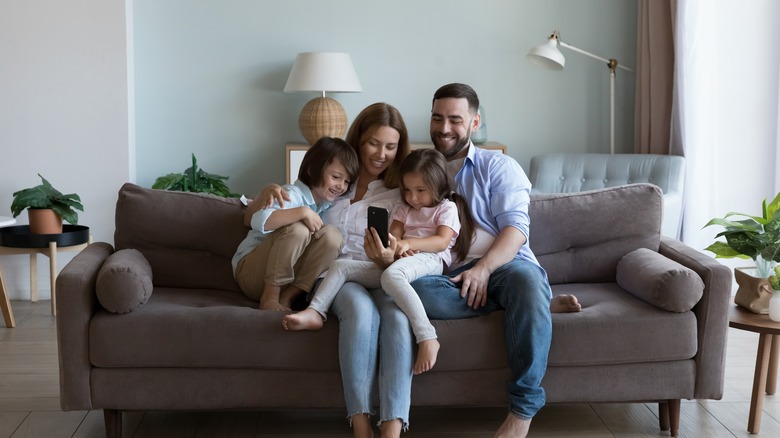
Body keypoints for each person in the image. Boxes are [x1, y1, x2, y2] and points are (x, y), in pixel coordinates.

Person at [407, 83, 578, 438]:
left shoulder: (498, 167)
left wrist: (484, 269)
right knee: (416, 291)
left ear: (474, 122)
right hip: (447, 274)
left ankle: (523, 409)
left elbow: (516, 231)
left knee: (525, 282)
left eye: (455, 119)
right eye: (437, 118)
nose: (444, 128)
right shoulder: (419, 169)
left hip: (503, 267)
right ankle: (536, 307)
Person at [257, 102, 413, 437]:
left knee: (398, 319)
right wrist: (266, 194)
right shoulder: (329, 184)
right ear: (358, 140)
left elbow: (412, 240)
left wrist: (388, 257)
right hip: (335, 278)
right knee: (360, 311)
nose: (381, 154)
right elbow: (279, 211)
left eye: (390, 146)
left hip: (380, 274)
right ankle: (360, 423)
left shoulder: (400, 192)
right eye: (373, 143)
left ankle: (392, 427)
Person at [283, 148, 475, 375]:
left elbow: (442, 242)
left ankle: (427, 337)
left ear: (439, 185)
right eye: (407, 190)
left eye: (420, 190)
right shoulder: (404, 208)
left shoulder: (446, 208)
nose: (413, 197)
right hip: (401, 264)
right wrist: (388, 247)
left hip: (430, 260)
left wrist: (409, 244)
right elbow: (393, 237)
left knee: (392, 275)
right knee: (340, 266)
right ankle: (316, 311)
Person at [232, 136, 359, 311]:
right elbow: (257, 220)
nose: (341, 186)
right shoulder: (291, 194)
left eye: (346, 182)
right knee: (299, 228)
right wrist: (302, 212)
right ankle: (270, 296)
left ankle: (288, 297)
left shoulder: (326, 205)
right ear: (312, 170)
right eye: (336, 177)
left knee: (332, 236)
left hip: (288, 277)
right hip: (252, 273)